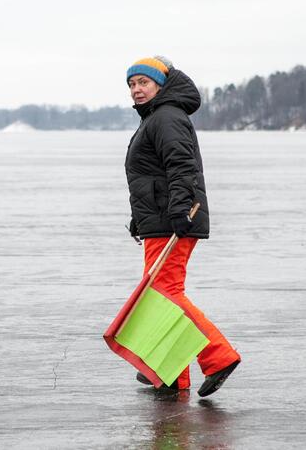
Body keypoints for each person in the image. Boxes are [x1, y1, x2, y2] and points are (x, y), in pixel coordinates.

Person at [125, 56, 241, 397]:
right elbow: (153, 175)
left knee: (165, 294)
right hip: (158, 220)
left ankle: (218, 357)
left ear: (160, 84)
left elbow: (181, 166)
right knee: (157, 296)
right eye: (132, 84)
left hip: (174, 219)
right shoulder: (156, 118)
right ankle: (171, 370)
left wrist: (179, 211)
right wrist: (140, 217)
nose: (136, 90)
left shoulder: (167, 117)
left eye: (143, 83)